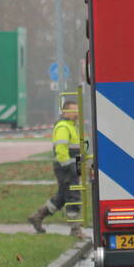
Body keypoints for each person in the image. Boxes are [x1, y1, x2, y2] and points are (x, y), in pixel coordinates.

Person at [28, 99, 84, 239]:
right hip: (65, 167)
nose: (76, 113)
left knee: (62, 197)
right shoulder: (63, 127)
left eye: (77, 110)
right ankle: (75, 229)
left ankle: (38, 216)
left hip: (72, 166)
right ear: (65, 111)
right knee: (73, 196)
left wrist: (82, 164)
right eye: (73, 110)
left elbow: (76, 149)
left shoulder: (72, 126)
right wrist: (70, 167)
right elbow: (61, 150)